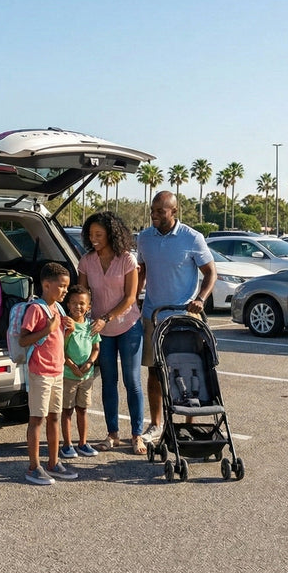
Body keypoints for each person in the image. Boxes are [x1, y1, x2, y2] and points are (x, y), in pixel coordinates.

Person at [136, 190, 216, 444]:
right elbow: (143, 270)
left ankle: (190, 423)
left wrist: (200, 299)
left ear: (174, 211)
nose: (154, 215)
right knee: (154, 371)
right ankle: (156, 424)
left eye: (160, 211)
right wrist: (134, 298)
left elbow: (211, 273)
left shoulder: (192, 238)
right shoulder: (144, 238)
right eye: (152, 210)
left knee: (191, 368)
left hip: (185, 317)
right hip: (153, 315)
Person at [77, 210, 146, 455]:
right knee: (109, 382)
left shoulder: (127, 259)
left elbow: (130, 298)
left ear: (111, 234)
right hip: (100, 331)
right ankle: (112, 434)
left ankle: (137, 435)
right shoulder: (86, 261)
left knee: (132, 382)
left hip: (128, 326)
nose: (93, 238)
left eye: (99, 234)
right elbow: (82, 295)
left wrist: (106, 317)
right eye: (90, 234)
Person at [21, 262, 78, 486]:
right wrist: (48, 329)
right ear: (46, 284)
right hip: (41, 373)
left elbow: (59, 342)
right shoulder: (37, 309)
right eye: (62, 286)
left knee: (55, 416)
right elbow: (23, 339)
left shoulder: (59, 309)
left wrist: (69, 330)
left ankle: (54, 462)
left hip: (57, 371)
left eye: (67, 287)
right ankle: (34, 467)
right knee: (37, 419)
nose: (65, 291)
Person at [58, 284, 101, 459]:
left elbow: (96, 348)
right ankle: (67, 445)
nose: (78, 307)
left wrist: (90, 363)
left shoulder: (91, 326)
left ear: (88, 307)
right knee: (67, 410)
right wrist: (71, 365)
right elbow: (60, 348)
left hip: (86, 376)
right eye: (74, 303)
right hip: (69, 375)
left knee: (82, 409)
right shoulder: (67, 325)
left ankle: (83, 443)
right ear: (68, 305)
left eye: (82, 303)